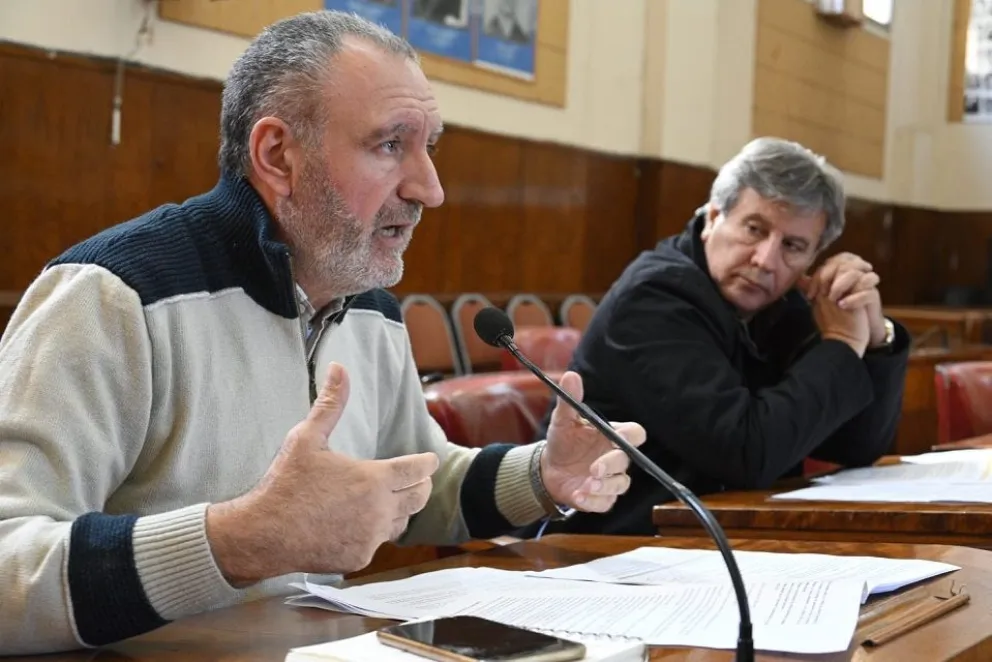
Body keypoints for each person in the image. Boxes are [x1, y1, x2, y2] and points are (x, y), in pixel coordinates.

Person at [0, 11, 645, 656]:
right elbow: (8, 563)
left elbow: (414, 485)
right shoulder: (113, 297)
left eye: (430, 147)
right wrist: (237, 541)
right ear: (278, 155)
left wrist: (543, 475)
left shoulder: (368, 306)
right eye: (390, 145)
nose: (431, 189)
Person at [526, 137, 910, 537]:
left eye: (793, 246)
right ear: (713, 218)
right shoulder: (652, 300)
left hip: (716, 540)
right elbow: (746, 453)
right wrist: (843, 343)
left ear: (812, 260)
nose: (766, 260)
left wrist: (876, 337)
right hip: (602, 546)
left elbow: (855, 447)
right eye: (754, 229)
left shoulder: (783, 304)